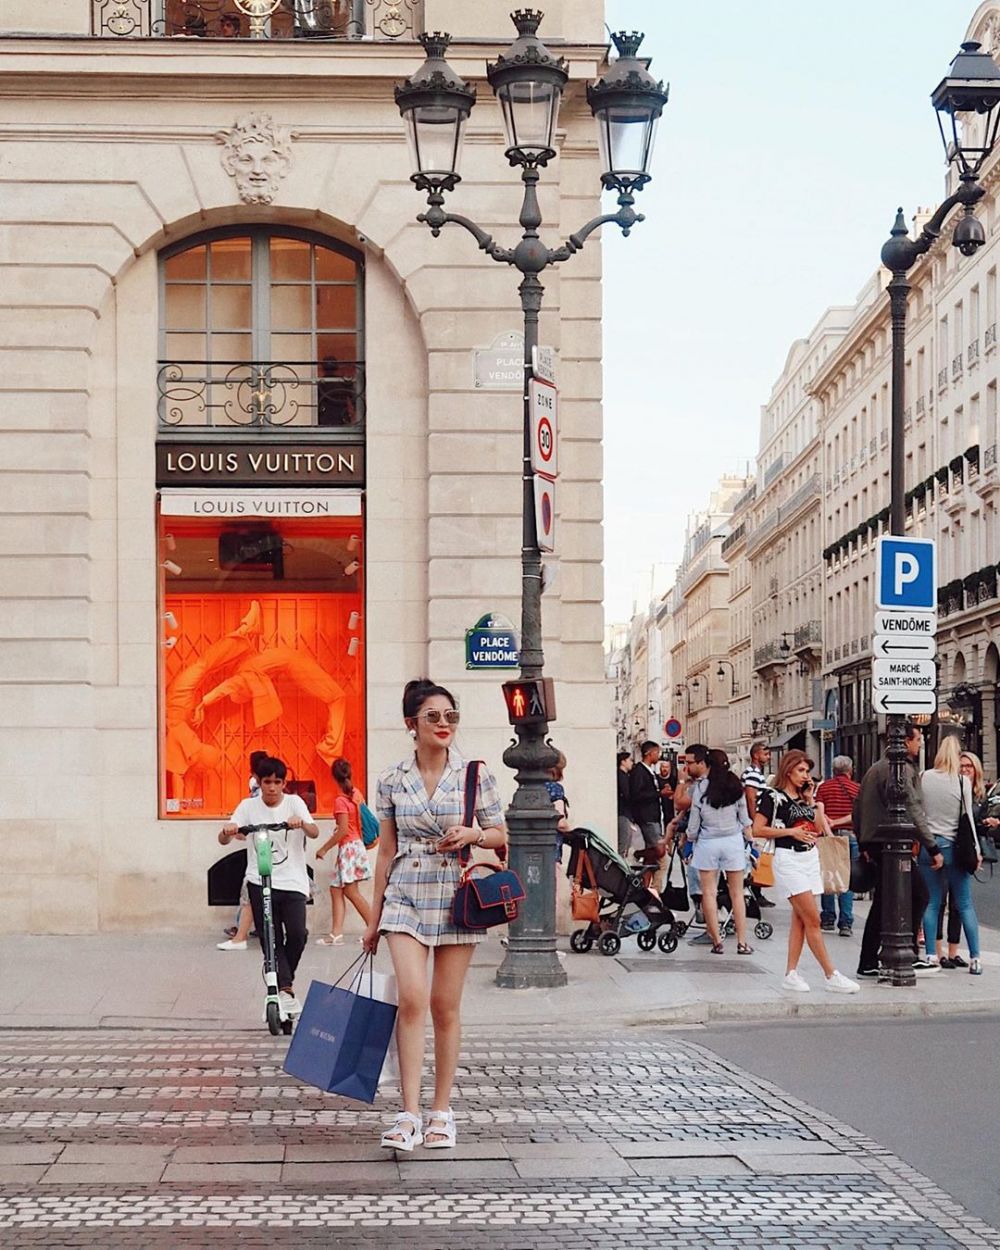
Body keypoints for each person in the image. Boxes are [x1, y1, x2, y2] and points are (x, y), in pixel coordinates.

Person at [363, 679, 506, 1152]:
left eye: (451, 716)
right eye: (434, 717)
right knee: (412, 997)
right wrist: (373, 916)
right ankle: (408, 1114)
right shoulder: (390, 779)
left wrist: (472, 836)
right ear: (412, 724)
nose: (444, 724)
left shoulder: (474, 774)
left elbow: (499, 833)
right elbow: (385, 850)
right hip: (405, 891)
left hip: (456, 892)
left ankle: (441, 1111)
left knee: (445, 1005)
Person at [218, 756, 319, 1016]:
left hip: (293, 880)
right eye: (267, 782)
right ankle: (282, 989)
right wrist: (228, 830)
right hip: (260, 880)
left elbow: (314, 832)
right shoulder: (248, 806)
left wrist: (301, 822)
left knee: (297, 933)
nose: (272, 788)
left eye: (277, 782)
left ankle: (285, 984)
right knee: (269, 937)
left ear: (284, 783)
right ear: (259, 783)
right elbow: (226, 838)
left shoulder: (295, 802)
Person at [753, 749, 858, 993]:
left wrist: (813, 802)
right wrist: (790, 832)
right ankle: (830, 974)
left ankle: (791, 973)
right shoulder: (772, 797)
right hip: (788, 859)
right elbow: (757, 829)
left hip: (809, 858)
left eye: (807, 771)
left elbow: (820, 829)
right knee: (813, 918)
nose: (805, 775)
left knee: (800, 919)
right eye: (801, 770)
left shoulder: (804, 798)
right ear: (788, 770)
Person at [855, 722, 942, 978]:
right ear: (905, 742)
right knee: (917, 895)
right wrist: (932, 845)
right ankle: (904, 952)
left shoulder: (874, 769)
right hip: (890, 843)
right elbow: (913, 809)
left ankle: (872, 960)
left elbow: (857, 807)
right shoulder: (899, 769)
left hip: (875, 841)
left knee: (885, 901)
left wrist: (863, 842)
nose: (920, 745)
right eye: (917, 740)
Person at [918, 736, 982, 975]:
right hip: (954, 846)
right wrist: (975, 849)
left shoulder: (924, 777)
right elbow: (968, 819)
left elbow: (920, 812)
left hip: (929, 845)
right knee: (965, 903)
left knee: (932, 902)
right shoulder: (961, 780)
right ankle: (975, 957)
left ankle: (931, 955)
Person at [687, 749, 753, 954]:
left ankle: (716, 941)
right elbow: (745, 821)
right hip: (732, 842)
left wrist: (689, 840)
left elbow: (694, 824)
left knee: (708, 893)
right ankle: (742, 943)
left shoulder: (700, 788)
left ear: (708, 764)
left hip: (708, 842)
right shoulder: (736, 787)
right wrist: (752, 844)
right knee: (737, 894)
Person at [314, 756, 372, 946]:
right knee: (336, 889)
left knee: (350, 891)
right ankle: (336, 933)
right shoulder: (356, 794)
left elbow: (344, 830)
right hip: (355, 846)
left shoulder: (340, 800)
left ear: (334, 777)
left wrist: (324, 848)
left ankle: (373, 927)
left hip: (348, 847)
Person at [218, 749, 270, 950]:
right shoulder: (257, 800)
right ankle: (243, 933)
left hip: (263, 853)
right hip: (269, 853)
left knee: (252, 892)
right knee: (254, 892)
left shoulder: (255, 796)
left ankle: (241, 935)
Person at [816, 755, 860, 937]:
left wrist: (830, 823)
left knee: (828, 875)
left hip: (828, 837)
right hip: (850, 837)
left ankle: (827, 918)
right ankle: (846, 923)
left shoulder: (824, 788)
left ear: (833, 770)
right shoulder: (857, 789)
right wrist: (839, 821)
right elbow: (858, 813)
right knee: (846, 879)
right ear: (850, 770)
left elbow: (818, 810)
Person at [741, 741, 775, 908]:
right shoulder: (753, 774)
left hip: (752, 820)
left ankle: (755, 892)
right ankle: (754, 893)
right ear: (756, 755)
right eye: (765, 754)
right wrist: (755, 821)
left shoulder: (756, 773)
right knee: (754, 856)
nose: (768, 757)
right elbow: (751, 797)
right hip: (752, 821)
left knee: (754, 855)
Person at [629, 740, 664, 851]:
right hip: (647, 816)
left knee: (653, 848)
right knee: (658, 848)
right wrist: (659, 793)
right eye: (657, 752)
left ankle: (649, 866)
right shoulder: (639, 771)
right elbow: (637, 794)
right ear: (649, 753)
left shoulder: (650, 771)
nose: (659, 755)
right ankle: (639, 856)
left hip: (653, 816)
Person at [616, 751, 636, 855]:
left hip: (625, 813)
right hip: (623, 813)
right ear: (623, 761)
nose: (632, 763)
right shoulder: (621, 776)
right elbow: (627, 795)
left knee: (626, 844)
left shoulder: (625, 776)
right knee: (623, 844)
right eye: (630, 760)